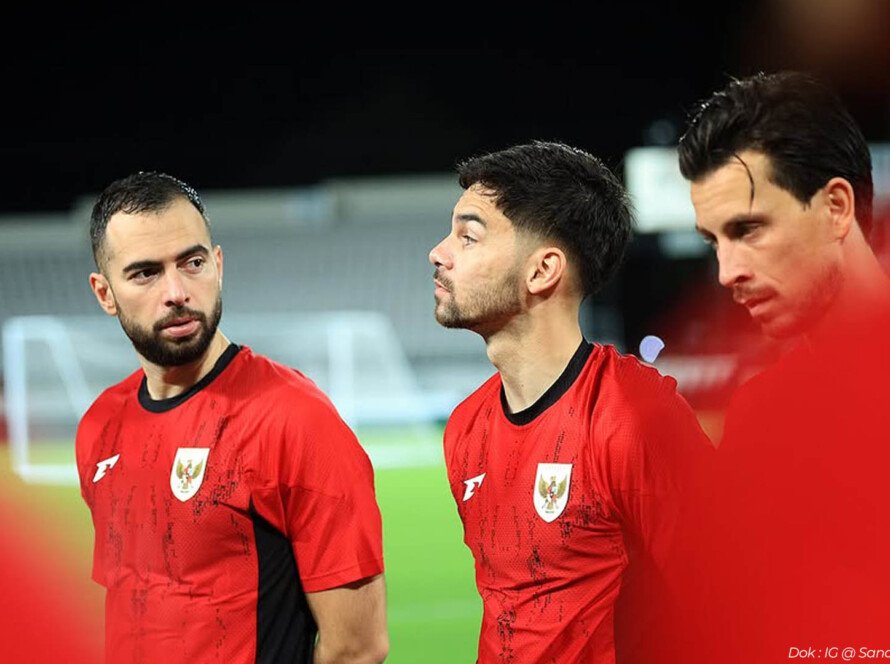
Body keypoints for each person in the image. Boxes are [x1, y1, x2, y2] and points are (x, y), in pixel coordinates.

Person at [76, 172, 388, 663]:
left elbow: (358, 647)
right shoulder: (100, 426)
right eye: (145, 273)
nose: (176, 291)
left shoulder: (294, 419)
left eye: (192, 263)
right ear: (104, 293)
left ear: (218, 265)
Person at [428, 141, 714, 663]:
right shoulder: (466, 426)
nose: (439, 253)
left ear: (543, 271)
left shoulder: (634, 416)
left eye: (468, 237)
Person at [678, 71, 890, 661]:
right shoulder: (759, 415)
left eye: (747, 230)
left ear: (836, 207)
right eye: (714, 242)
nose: (727, 273)